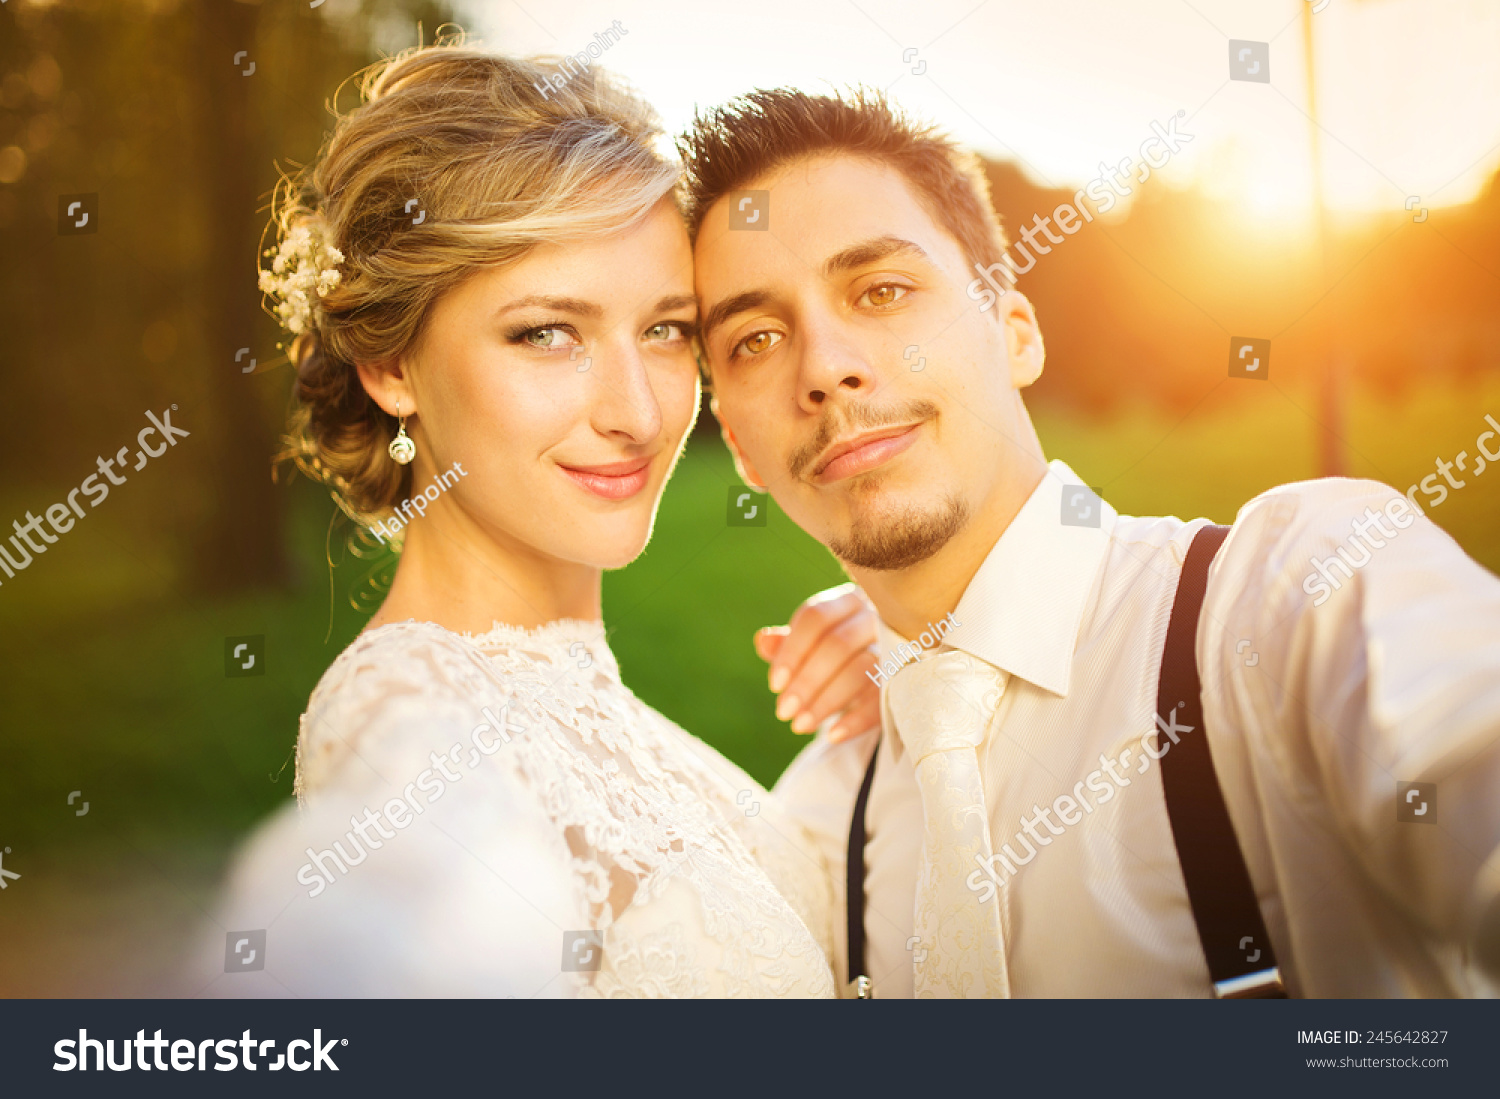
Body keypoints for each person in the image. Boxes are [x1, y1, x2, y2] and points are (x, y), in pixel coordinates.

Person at [682, 87, 1500, 998]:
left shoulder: (1296, 591)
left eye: (882, 290)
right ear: (738, 445)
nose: (825, 365)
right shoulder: (820, 827)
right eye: (756, 338)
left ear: (1016, 332)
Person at [191, 42, 883, 998]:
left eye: (665, 330)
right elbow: (408, 912)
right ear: (391, 366)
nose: (636, 413)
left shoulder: (605, 707)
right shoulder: (406, 710)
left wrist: (895, 680)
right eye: (546, 333)